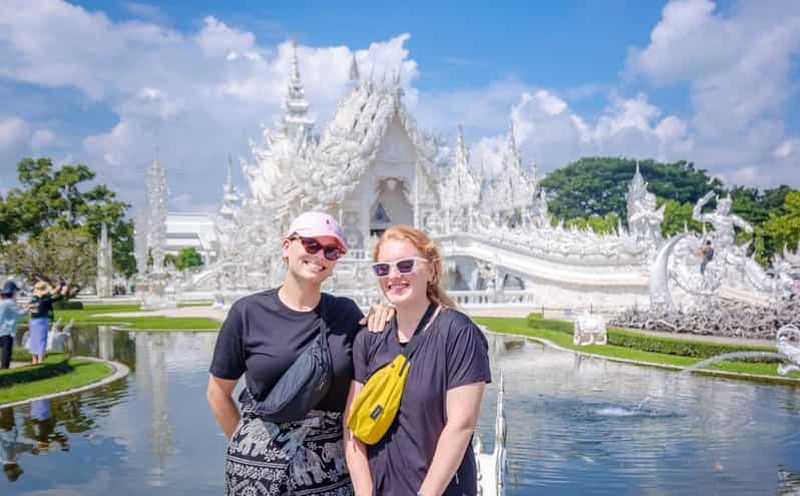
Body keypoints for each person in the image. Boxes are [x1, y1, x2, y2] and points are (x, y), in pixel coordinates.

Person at [207, 211, 393, 496]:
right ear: (286, 246)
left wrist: (387, 311)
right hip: (257, 473)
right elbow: (218, 393)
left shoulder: (345, 313)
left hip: (329, 470)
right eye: (311, 245)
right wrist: (249, 443)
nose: (320, 256)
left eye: (332, 251)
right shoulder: (247, 313)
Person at [346, 225, 492, 496]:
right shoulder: (369, 337)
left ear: (432, 269)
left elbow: (461, 425)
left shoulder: (457, 332)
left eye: (405, 265)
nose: (393, 276)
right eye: (382, 268)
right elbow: (353, 428)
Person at [27, 281, 67, 365]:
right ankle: (40, 360)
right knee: (41, 340)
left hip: (33, 321)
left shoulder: (33, 299)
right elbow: (59, 298)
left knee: (33, 340)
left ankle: (34, 360)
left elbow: (49, 293)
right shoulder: (45, 300)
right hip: (41, 321)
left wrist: (57, 288)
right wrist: (63, 291)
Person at [0, 281, 28, 369]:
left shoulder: (2, 302)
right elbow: (20, 314)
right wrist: (29, 308)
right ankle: (5, 369)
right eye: (15, 292)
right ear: (12, 292)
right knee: (6, 352)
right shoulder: (9, 302)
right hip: (6, 331)